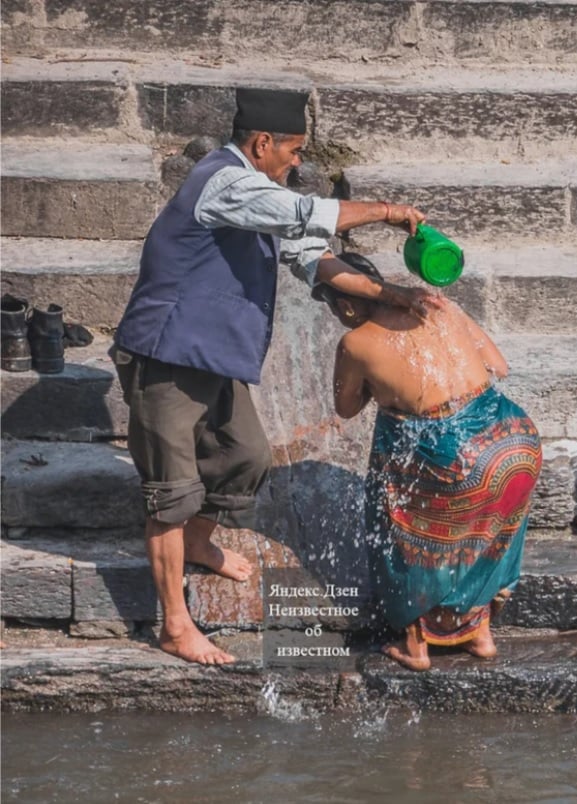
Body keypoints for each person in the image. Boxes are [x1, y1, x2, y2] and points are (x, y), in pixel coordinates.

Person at [112, 87, 440, 665]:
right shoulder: (226, 182)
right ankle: (174, 625)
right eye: (292, 150)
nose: (297, 162)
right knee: (171, 494)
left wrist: (394, 294)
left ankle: (199, 544)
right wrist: (389, 212)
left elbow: (315, 256)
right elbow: (306, 214)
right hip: (166, 354)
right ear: (261, 143)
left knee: (247, 458)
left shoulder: (263, 193)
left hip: (213, 356)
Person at [318, 253, 542, 671]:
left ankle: (415, 643)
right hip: (514, 441)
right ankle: (481, 633)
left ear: (345, 305)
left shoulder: (355, 342)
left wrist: (384, 388)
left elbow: (346, 408)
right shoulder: (440, 306)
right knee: (487, 532)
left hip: (456, 455)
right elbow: (499, 366)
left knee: (397, 515)